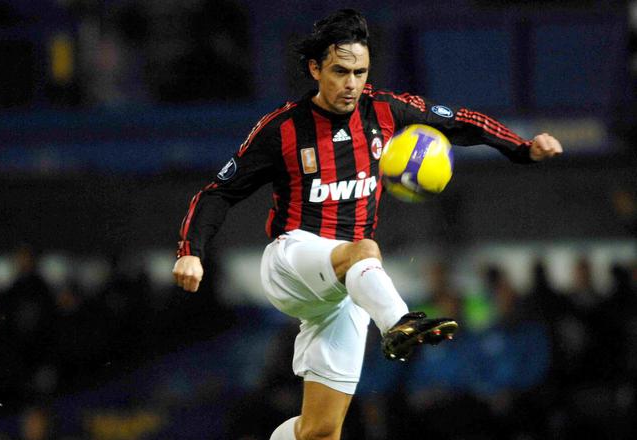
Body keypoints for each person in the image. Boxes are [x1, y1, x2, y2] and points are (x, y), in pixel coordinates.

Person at [172, 9, 562, 440]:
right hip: (292, 261)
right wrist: (191, 251)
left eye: (360, 72)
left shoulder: (385, 111)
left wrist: (522, 148)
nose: (352, 83)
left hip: (348, 290)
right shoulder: (282, 129)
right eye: (340, 71)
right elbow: (218, 192)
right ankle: (399, 324)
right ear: (315, 69)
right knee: (364, 249)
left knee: (320, 431)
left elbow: (458, 121)